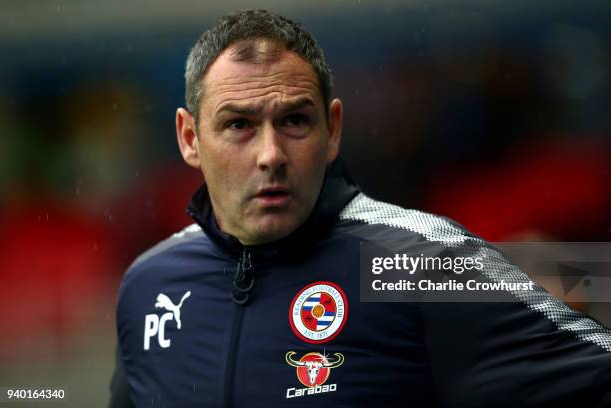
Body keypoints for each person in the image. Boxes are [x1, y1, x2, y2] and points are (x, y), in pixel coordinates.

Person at [110, 9, 611, 407]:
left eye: (295, 120)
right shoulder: (148, 287)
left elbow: (586, 311)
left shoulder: (415, 264)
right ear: (190, 138)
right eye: (239, 124)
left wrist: (568, 276)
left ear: (332, 130)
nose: (270, 155)